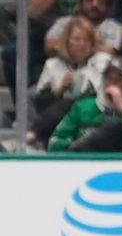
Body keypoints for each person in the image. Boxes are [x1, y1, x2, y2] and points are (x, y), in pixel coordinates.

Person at [28, 16, 111, 148]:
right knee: (64, 103)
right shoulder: (53, 64)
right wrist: (58, 89)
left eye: (86, 40)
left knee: (72, 103)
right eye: (77, 39)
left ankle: (32, 133)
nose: (82, 44)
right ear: (66, 41)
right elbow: (39, 102)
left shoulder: (103, 61)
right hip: (57, 120)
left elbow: (106, 91)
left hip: (94, 113)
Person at [48, 55, 122, 152]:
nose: (112, 82)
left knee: (115, 124)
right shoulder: (82, 106)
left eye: (118, 79)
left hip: (119, 166)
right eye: (108, 78)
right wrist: (72, 146)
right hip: (82, 164)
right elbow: (54, 141)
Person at [44, 0, 121, 56]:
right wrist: (94, 47)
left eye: (101, 2)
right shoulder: (64, 22)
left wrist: (70, 45)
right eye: (89, 0)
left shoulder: (114, 27)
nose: (94, 5)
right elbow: (49, 45)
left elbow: (109, 51)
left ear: (107, 7)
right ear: (81, 3)